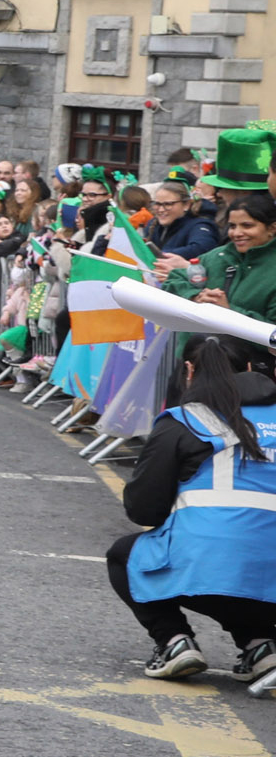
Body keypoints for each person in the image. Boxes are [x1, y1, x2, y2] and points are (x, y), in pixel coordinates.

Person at [112, 336, 276, 691]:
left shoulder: (185, 421)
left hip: (211, 569)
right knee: (247, 566)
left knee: (125, 556)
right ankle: (260, 644)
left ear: (189, 371)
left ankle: (174, 642)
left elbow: (144, 508)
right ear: (251, 368)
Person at [164, 190, 276, 323]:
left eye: (247, 226)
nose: (237, 233)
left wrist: (228, 311)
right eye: (232, 226)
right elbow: (172, 281)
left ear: (272, 228)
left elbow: (271, 329)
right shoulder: (217, 256)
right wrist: (195, 296)